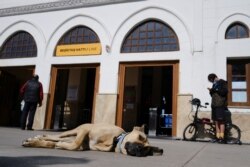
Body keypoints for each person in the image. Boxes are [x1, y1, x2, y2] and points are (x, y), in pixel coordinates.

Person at [207, 73, 228, 143]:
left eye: (212, 80)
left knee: (221, 121)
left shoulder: (222, 82)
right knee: (216, 121)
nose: (212, 82)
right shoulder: (214, 84)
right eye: (211, 81)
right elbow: (214, 95)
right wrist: (211, 92)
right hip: (214, 105)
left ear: (215, 77)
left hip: (220, 105)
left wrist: (216, 90)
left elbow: (224, 92)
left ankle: (222, 137)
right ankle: (218, 137)